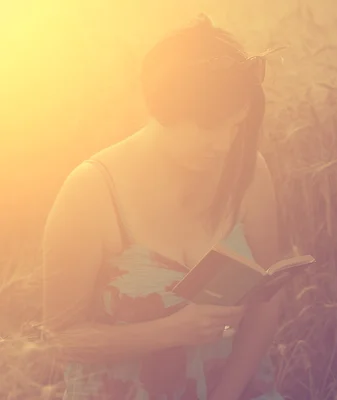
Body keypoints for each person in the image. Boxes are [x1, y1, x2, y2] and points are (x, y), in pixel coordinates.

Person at [41, 14, 285, 400]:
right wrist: (171, 331)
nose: (224, 144)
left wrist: (228, 392)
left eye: (236, 126)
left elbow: (267, 301)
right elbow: (59, 338)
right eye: (209, 128)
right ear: (162, 111)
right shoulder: (91, 192)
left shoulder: (248, 169)